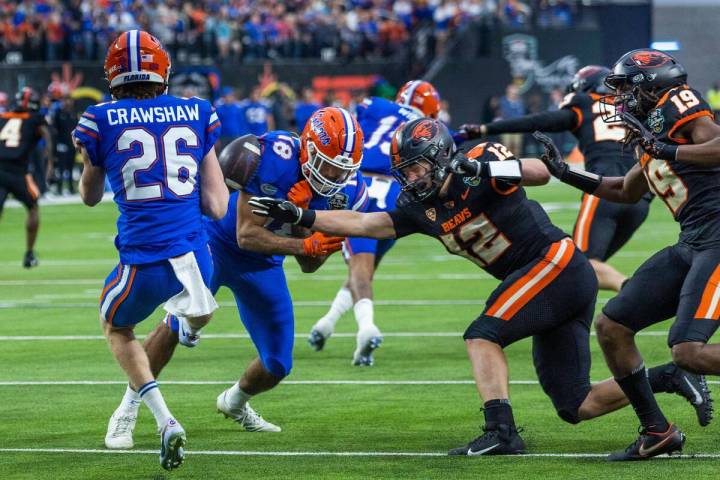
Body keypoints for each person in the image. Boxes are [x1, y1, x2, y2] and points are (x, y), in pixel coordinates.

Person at [249, 118, 710, 456]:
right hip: (544, 281)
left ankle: (501, 429)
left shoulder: (479, 162)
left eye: (414, 169)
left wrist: (484, 171)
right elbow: (366, 221)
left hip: (554, 264)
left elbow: (537, 171)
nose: (409, 179)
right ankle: (664, 379)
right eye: (404, 171)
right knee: (576, 405)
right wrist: (302, 216)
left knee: (481, 333)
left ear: (440, 157)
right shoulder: (419, 209)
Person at [103, 107, 368, 447]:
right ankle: (128, 408)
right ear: (308, 147)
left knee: (278, 364)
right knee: (176, 320)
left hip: (264, 265)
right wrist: (302, 239)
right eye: (328, 163)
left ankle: (234, 402)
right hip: (219, 243)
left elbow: (309, 264)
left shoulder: (348, 192)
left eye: (342, 169)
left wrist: (307, 224)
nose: (333, 174)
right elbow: (246, 235)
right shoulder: (275, 158)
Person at [536, 48, 720, 460]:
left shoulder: (678, 102)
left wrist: (669, 150)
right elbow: (624, 190)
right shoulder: (649, 130)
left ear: (647, 86)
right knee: (613, 325)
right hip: (693, 240)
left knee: (688, 351)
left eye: (623, 90)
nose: (618, 100)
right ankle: (657, 431)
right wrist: (566, 173)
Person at [73, 30, 229, 471]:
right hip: (195, 256)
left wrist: (91, 159)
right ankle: (192, 322)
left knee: (115, 325)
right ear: (164, 73)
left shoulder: (99, 118)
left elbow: (89, 197)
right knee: (193, 310)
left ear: (112, 76)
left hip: (144, 258)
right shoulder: (198, 111)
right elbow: (217, 206)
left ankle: (164, 420)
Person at [460, 66, 649, 291]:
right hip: (641, 197)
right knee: (582, 273)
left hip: (605, 190)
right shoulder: (631, 106)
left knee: (583, 265)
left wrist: (483, 129)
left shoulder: (583, 103)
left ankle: (636, 292)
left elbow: (538, 121)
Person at [309, 79, 442, 366]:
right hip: (396, 192)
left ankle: (366, 329)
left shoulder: (376, 106)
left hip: (358, 184)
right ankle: (328, 322)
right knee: (366, 267)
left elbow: (348, 131)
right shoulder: (425, 127)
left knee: (361, 264)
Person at [0, 87, 54, 268]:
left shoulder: (3, 117)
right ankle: (29, 253)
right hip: (17, 172)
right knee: (32, 207)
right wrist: (51, 164)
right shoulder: (36, 119)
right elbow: (46, 136)